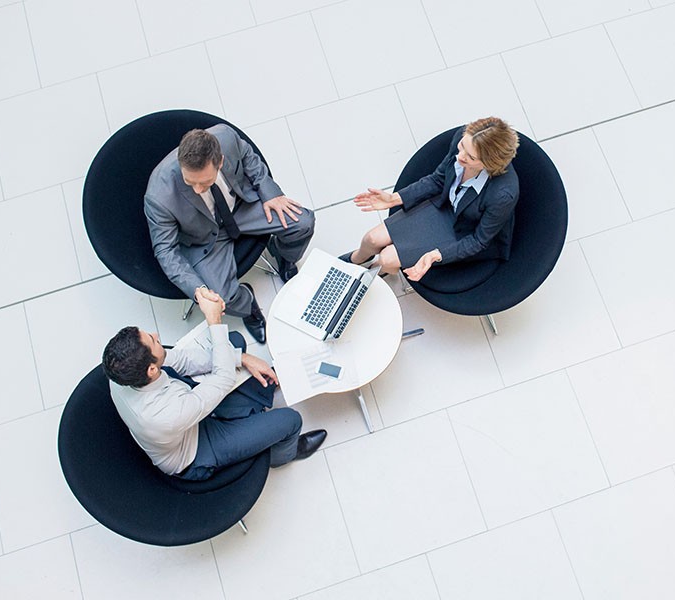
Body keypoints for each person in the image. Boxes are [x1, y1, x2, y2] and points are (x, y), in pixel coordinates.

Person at [102, 286, 327, 480]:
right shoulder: (164, 416)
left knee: (233, 344)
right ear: (152, 370)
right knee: (290, 420)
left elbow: (178, 360)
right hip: (195, 450)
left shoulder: (122, 375)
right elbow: (223, 378)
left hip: (183, 413)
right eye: (153, 340)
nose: (156, 334)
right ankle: (281, 455)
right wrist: (214, 321)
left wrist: (241, 358)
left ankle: (253, 406)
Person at [145, 124, 315, 345]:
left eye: (204, 182)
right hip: (204, 237)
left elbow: (248, 156)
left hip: (241, 208)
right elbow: (165, 250)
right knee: (222, 298)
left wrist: (269, 191)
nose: (197, 189)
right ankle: (248, 305)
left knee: (303, 222)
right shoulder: (158, 197)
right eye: (190, 182)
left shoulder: (226, 137)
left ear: (221, 161)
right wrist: (198, 291)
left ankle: (284, 255)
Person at [341, 117, 520, 282]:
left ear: (489, 165)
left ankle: (369, 275)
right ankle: (356, 260)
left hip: (465, 231)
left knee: (387, 259)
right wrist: (393, 199)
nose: (460, 157)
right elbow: (438, 179)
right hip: (444, 206)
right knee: (372, 239)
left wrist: (436, 255)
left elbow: (479, 241)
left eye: (471, 157)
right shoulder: (464, 140)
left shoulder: (502, 194)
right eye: (462, 145)